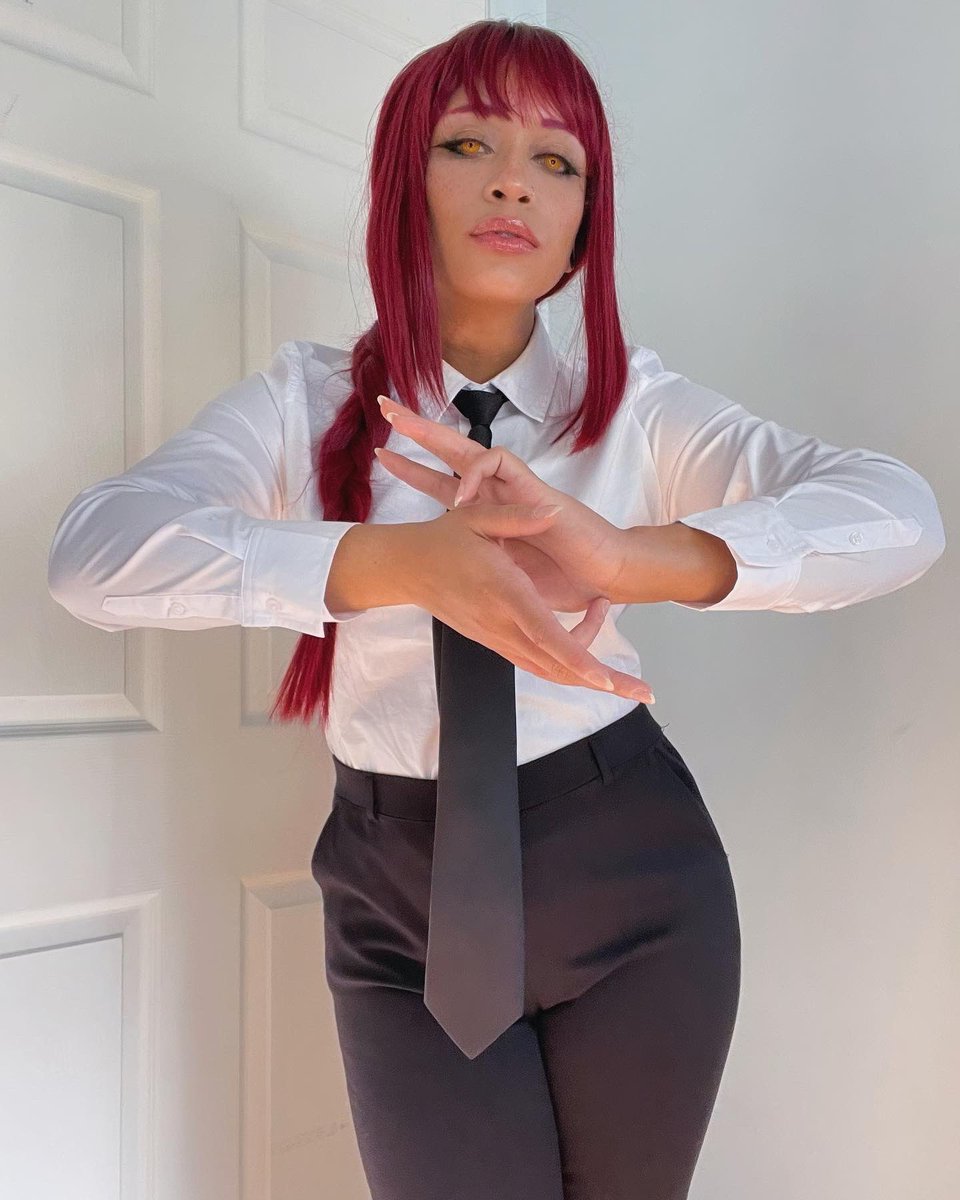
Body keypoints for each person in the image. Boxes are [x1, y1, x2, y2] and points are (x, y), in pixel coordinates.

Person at [47, 18, 946, 1200]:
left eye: (556, 160)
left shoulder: (635, 409)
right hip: (397, 895)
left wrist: (628, 557)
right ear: (402, 183)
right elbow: (94, 556)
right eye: (469, 143)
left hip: (633, 874)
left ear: (582, 227)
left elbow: (900, 515)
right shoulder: (300, 403)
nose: (514, 180)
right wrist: (394, 563)